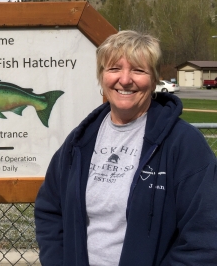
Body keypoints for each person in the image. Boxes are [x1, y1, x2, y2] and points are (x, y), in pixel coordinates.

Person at [35, 30, 217, 265]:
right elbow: (50, 209)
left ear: (154, 79)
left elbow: (205, 236)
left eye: (138, 70)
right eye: (114, 69)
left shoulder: (183, 144)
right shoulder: (81, 140)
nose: (125, 79)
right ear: (102, 76)